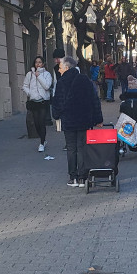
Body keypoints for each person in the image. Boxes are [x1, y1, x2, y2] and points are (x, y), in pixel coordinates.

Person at [52, 56, 103, 187]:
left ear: (67, 67)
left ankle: (72, 177)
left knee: (71, 148)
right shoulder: (85, 80)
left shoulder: (62, 82)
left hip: (68, 120)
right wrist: (98, 119)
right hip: (84, 119)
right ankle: (83, 177)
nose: (59, 70)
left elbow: (57, 102)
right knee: (82, 147)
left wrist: (56, 115)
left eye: (61, 67)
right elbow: (94, 100)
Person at [21, 56, 53, 152]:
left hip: (43, 101)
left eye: (39, 62)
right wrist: (30, 93)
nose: (38, 64)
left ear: (43, 64)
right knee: (36, 123)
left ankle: (42, 142)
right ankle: (43, 139)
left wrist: (38, 76)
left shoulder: (47, 74)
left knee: (42, 122)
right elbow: (25, 86)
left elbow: (47, 86)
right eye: (36, 62)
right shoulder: (29, 74)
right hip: (34, 101)